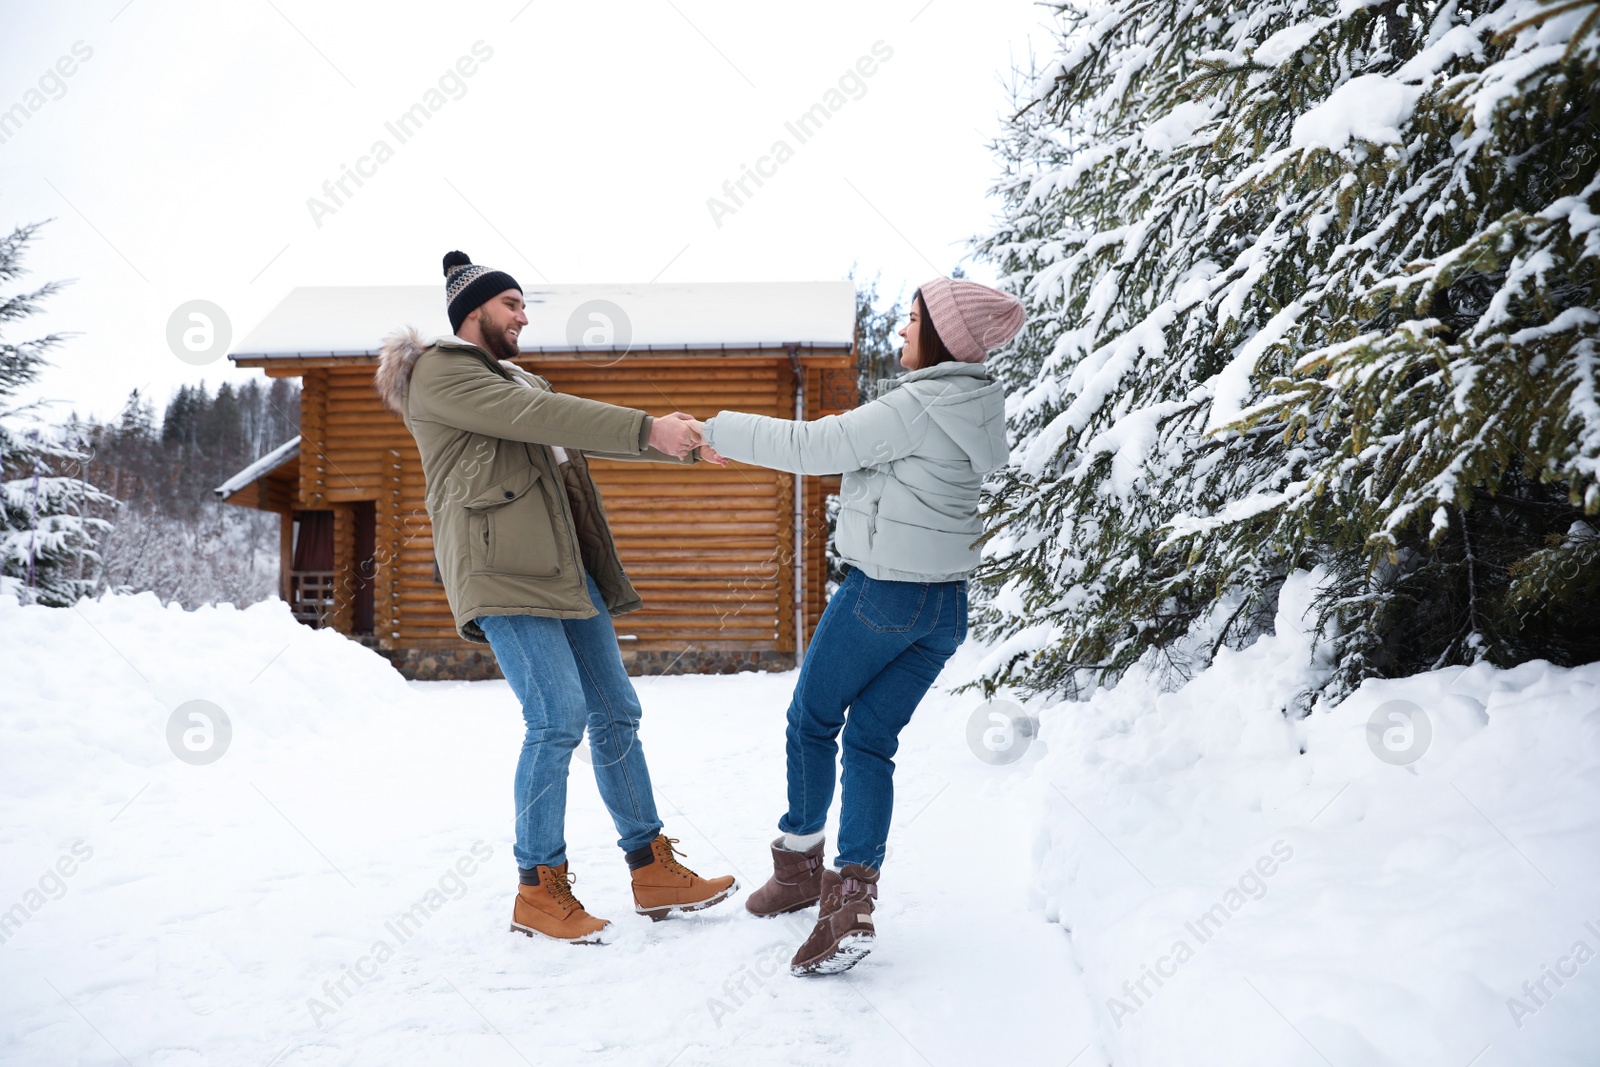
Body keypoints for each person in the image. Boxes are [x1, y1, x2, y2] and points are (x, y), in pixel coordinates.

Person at [374, 251, 736, 944]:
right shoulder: (442, 373)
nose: (524, 315)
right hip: (503, 572)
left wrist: (678, 444)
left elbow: (569, 435)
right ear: (472, 311)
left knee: (616, 712)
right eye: (512, 303)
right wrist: (647, 424)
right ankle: (539, 886)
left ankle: (650, 867)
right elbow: (540, 414)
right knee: (557, 717)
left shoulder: (519, 380)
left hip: (565, 573)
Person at [691, 277, 1024, 975]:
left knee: (812, 717)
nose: (901, 331)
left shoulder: (917, 404)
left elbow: (816, 447)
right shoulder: (975, 403)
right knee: (871, 740)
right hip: (944, 609)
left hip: (884, 594)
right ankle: (851, 900)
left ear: (941, 336)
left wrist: (712, 428)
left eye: (910, 320)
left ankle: (798, 868)